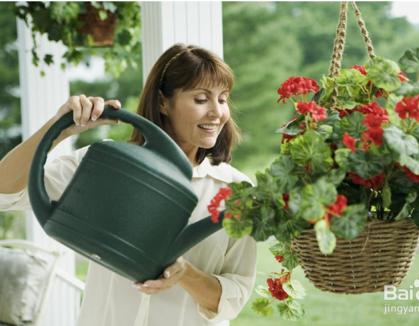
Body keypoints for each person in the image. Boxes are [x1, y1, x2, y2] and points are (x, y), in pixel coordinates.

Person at [0, 44, 257, 326]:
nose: (217, 112)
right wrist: (58, 129)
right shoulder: (106, 163)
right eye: (201, 99)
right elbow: (5, 192)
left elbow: (234, 297)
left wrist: (185, 274)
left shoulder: (236, 191)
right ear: (163, 102)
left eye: (222, 99)